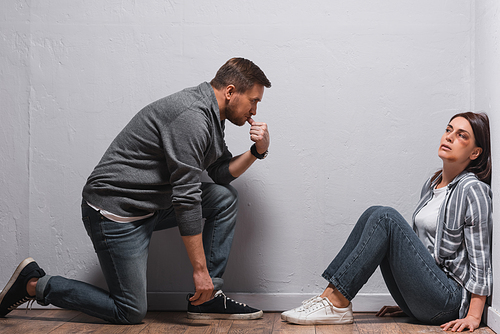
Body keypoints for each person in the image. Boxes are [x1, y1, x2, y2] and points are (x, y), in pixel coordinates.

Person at [0, 58, 272, 324]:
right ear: (230, 92)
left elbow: (220, 173)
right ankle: (34, 284)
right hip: (114, 212)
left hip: (148, 203)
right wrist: (200, 271)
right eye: (254, 100)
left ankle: (209, 298)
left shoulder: (212, 116)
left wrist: (256, 152)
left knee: (223, 199)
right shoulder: (192, 116)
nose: (255, 110)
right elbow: (186, 197)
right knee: (129, 311)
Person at [281, 112, 492, 332]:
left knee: (386, 217)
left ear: (475, 152)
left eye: (461, 136)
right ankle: (329, 297)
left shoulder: (472, 190)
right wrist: (410, 299)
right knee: (373, 212)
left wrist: (474, 316)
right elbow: (419, 252)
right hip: (430, 293)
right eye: (448, 130)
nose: (449, 137)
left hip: (449, 300)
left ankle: (336, 302)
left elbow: (481, 258)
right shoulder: (432, 185)